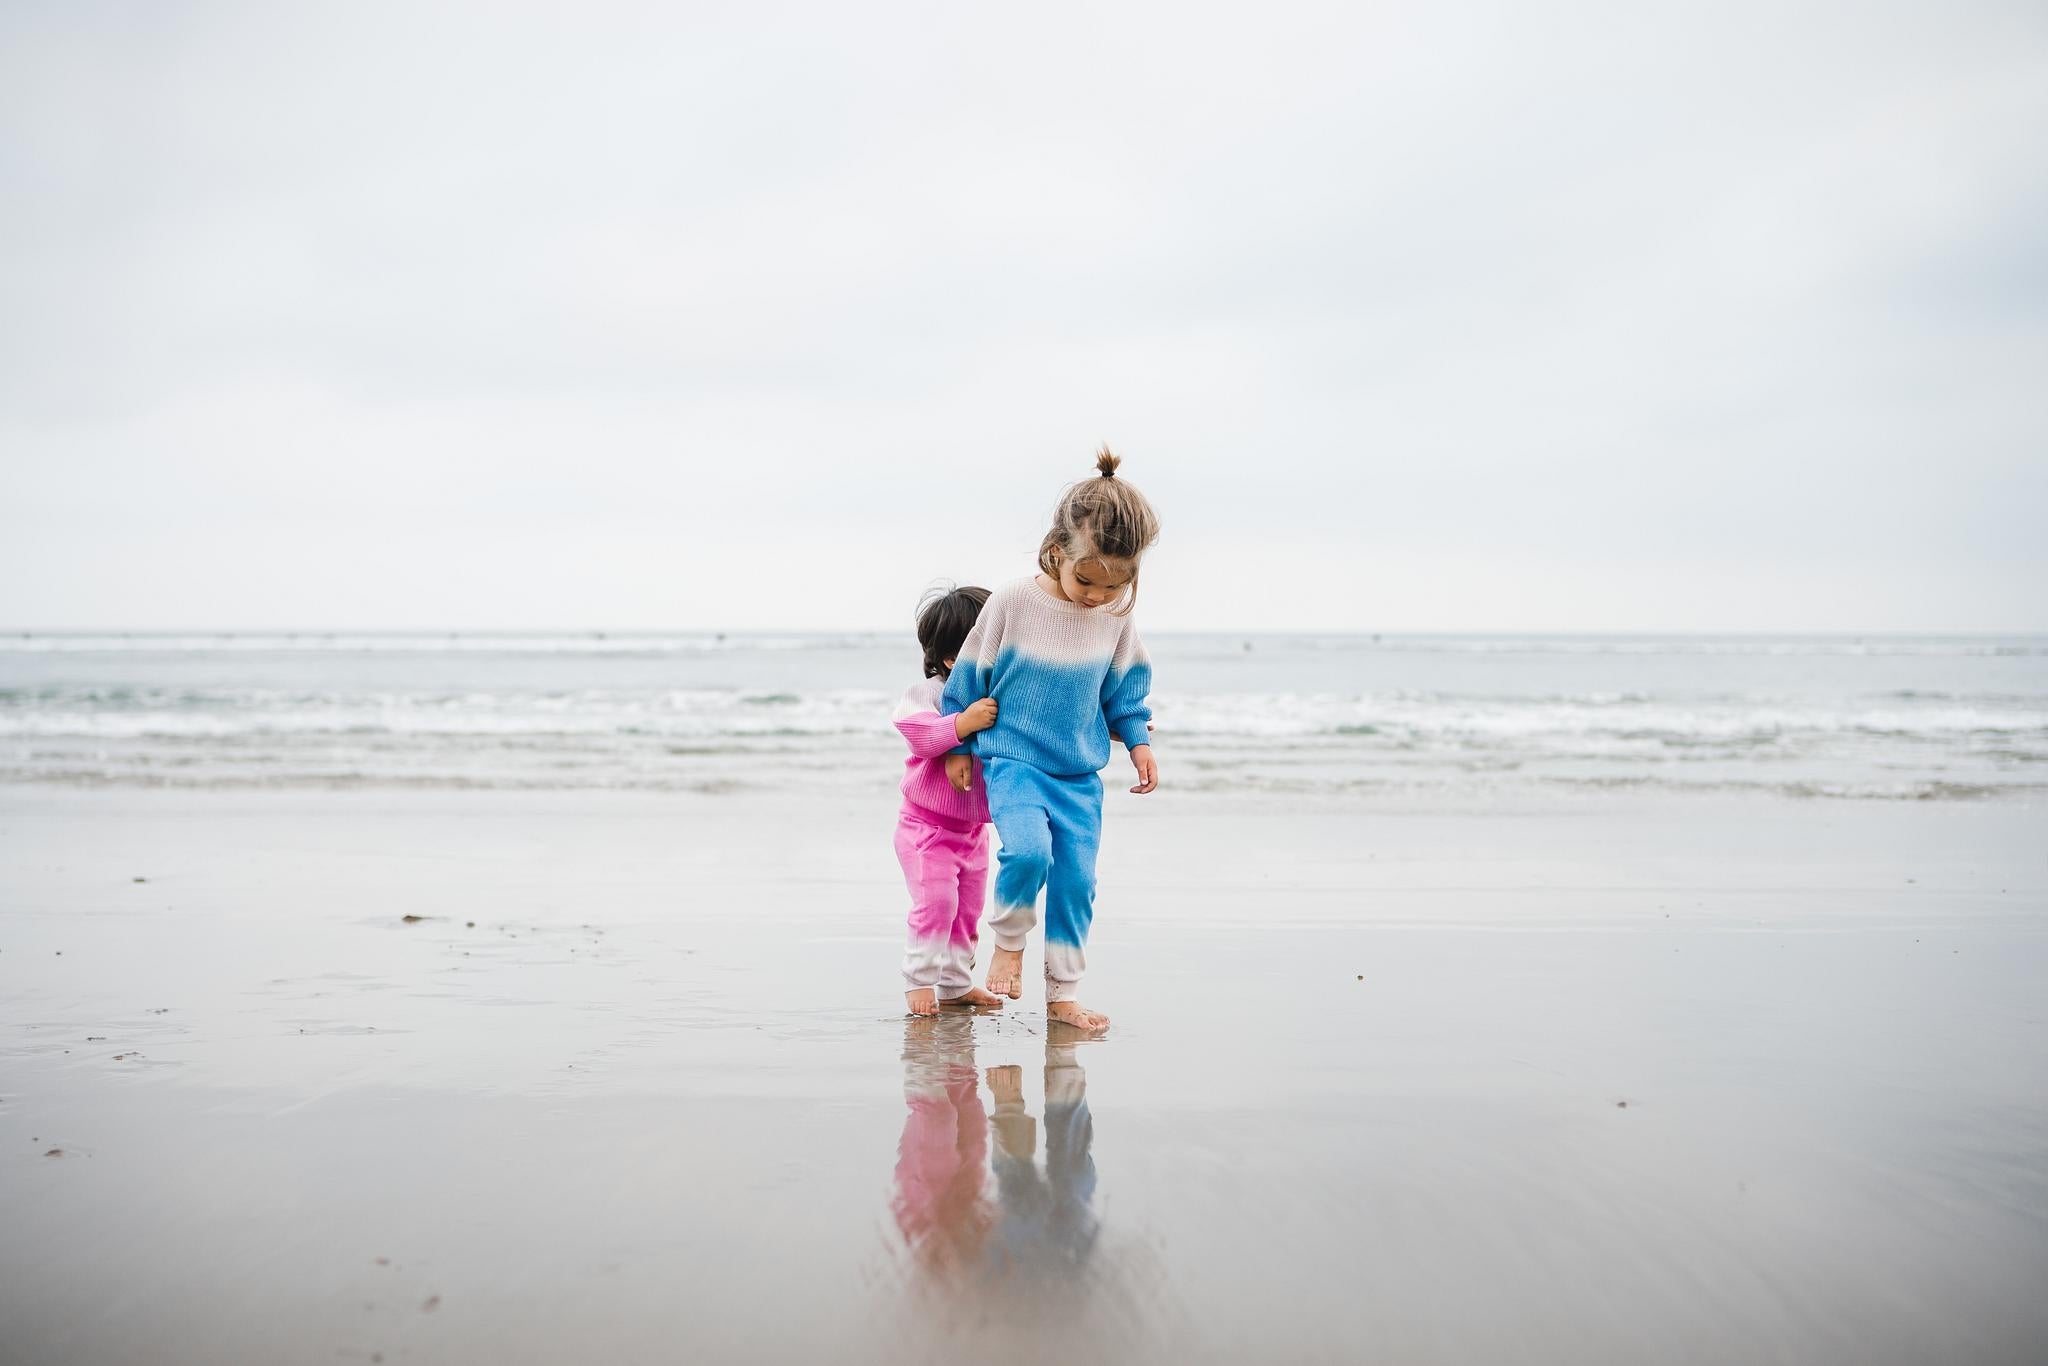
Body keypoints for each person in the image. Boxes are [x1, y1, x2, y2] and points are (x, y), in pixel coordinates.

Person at [940, 448, 1160, 1032]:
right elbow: (966, 681)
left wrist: (1137, 742)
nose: (1094, 596)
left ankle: (1063, 993)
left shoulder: (1116, 619)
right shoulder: (1015, 601)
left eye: (1112, 586)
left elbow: (1125, 692)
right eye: (1085, 580)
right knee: (1029, 853)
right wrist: (959, 746)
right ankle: (1008, 942)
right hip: (1013, 761)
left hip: (1079, 776)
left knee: (1076, 882)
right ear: (1056, 551)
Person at [892, 584, 1007, 1016]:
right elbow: (920, 736)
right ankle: (919, 981)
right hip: (926, 829)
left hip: (973, 831)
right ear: (948, 659)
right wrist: (961, 724)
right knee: (936, 904)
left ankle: (956, 984)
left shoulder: (1002, 698)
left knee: (968, 911)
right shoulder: (930, 694)